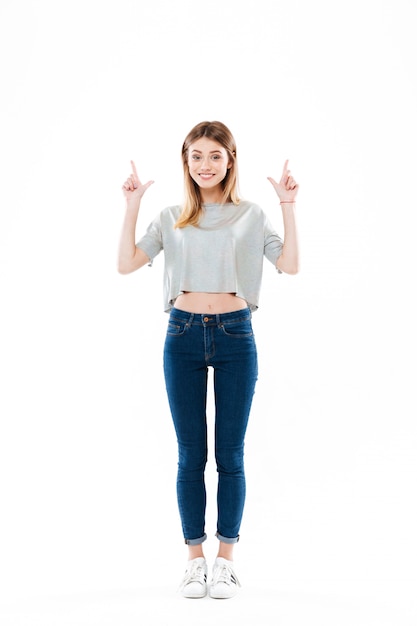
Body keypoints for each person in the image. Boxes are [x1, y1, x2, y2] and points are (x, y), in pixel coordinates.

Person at [118, 120, 299, 599]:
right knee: (190, 455)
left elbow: (291, 264)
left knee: (230, 456)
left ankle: (226, 561)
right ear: (186, 161)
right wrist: (133, 205)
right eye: (196, 156)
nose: (205, 165)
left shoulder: (252, 215)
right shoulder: (173, 216)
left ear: (230, 161)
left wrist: (287, 205)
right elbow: (126, 263)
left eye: (215, 156)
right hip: (182, 333)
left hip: (236, 333)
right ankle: (194, 560)